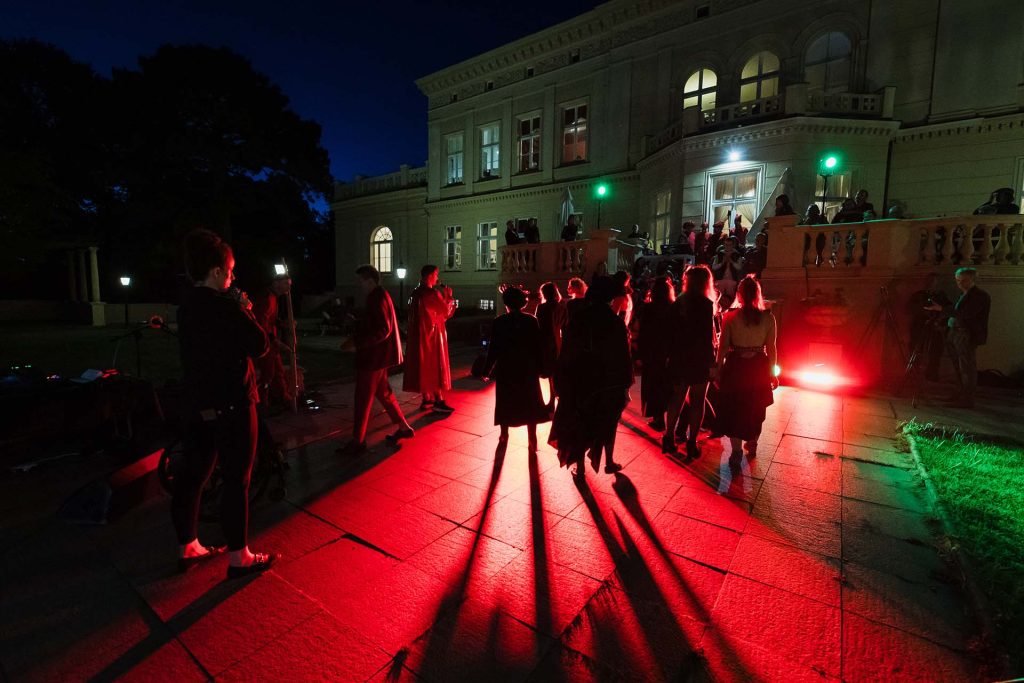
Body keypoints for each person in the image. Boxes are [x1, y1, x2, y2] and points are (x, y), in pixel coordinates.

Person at [173, 228, 277, 579]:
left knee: (193, 476)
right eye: (230, 271)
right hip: (232, 403)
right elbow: (260, 345)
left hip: (198, 404)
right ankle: (239, 557)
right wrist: (245, 309)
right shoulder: (227, 307)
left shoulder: (186, 306)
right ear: (217, 271)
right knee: (237, 480)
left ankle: (188, 546)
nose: (232, 277)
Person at [549, 276, 631, 479]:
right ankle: (609, 461)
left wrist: (561, 379)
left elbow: (568, 350)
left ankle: (580, 468)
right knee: (609, 421)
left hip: (582, 378)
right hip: (608, 380)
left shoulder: (579, 319)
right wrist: (624, 384)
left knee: (580, 422)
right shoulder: (615, 322)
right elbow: (623, 355)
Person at [339, 265, 415, 454]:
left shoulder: (376, 297)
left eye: (360, 281)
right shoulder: (381, 295)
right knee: (385, 394)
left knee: (363, 398)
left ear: (370, 281)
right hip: (379, 358)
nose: (359, 285)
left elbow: (383, 329)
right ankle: (403, 427)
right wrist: (359, 323)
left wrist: (357, 344)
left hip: (373, 358)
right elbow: (379, 325)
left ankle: (358, 441)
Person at [715, 275, 778, 459]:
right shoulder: (768, 318)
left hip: (736, 367)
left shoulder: (730, 317)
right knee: (756, 408)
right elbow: (772, 348)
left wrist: (718, 370)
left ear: (739, 295)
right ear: (758, 294)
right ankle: (753, 443)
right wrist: (772, 373)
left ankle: (736, 451)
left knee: (734, 408)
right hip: (758, 368)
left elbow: (723, 347)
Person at [481, 286, 551, 450]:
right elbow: (538, 347)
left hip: (507, 368)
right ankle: (532, 437)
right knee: (530, 402)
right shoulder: (531, 320)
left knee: (506, 401)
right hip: (528, 368)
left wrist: (487, 370)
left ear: (506, 303)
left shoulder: (499, 322)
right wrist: (542, 367)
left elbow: (494, 348)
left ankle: (504, 434)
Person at [663, 265, 717, 458]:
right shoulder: (705, 304)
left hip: (679, 357)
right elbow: (706, 337)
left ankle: (669, 437)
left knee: (677, 399)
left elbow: (669, 334)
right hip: (699, 358)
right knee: (697, 401)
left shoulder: (678, 302)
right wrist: (712, 362)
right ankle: (692, 442)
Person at [925, 267, 991, 408]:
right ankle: (960, 393)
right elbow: (957, 312)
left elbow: (966, 314)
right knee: (958, 366)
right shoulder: (963, 294)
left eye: (963, 280)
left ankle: (967, 399)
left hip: (965, 334)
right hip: (955, 333)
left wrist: (942, 309)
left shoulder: (980, 296)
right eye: (957, 280)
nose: (960, 283)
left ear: (972, 279)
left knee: (966, 366)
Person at [403, 265, 456, 413]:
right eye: (436, 274)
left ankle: (427, 398)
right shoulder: (432, 294)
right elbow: (445, 312)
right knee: (434, 366)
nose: (438, 278)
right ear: (430, 275)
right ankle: (438, 400)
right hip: (432, 336)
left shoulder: (415, 293)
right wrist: (448, 297)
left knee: (423, 366)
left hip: (418, 338)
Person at [251, 273, 294, 409]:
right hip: (266, 344)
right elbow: (261, 322)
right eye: (286, 284)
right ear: (276, 283)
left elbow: (271, 319)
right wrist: (275, 341)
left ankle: (283, 398)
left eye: (289, 285)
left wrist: (283, 324)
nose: (288, 288)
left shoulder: (274, 298)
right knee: (267, 375)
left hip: (272, 345)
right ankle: (262, 404)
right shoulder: (267, 299)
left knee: (278, 372)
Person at [638, 276, 675, 431]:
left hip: (652, 352)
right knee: (666, 385)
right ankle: (667, 418)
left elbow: (643, 332)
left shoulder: (649, 308)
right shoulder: (673, 307)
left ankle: (657, 418)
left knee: (652, 385)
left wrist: (640, 354)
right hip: (667, 352)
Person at [906, 272, 951, 382]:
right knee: (916, 350)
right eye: (930, 281)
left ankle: (932, 374)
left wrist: (939, 320)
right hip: (920, 326)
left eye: (934, 281)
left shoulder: (941, 296)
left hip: (936, 327)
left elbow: (948, 310)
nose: (932, 284)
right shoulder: (919, 295)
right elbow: (909, 308)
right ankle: (914, 373)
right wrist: (922, 310)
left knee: (935, 352)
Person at [536, 281, 567, 409]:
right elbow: (565, 328)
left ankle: (549, 403)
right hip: (558, 343)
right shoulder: (562, 307)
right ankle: (555, 401)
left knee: (546, 374)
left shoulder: (542, 308)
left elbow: (538, 327)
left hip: (545, 343)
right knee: (555, 374)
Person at [711, 236, 744, 306]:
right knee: (719, 300)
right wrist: (722, 263)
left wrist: (731, 261)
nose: (728, 246)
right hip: (720, 280)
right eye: (726, 244)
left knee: (730, 300)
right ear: (724, 245)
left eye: (729, 245)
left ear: (733, 245)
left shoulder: (737, 255)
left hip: (732, 281)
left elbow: (739, 267)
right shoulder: (720, 254)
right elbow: (714, 267)